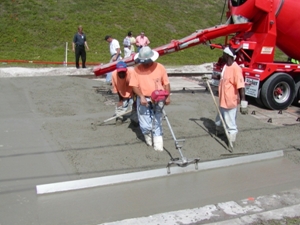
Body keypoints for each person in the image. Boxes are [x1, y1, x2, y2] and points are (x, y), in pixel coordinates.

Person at [129, 46, 171, 151]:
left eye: (147, 62)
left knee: (158, 120)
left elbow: (166, 83)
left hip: (158, 98)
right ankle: (148, 136)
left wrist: (167, 96)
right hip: (144, 99)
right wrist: (142, 96)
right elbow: (134, 86)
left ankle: (158, 145)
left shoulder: (160, 67)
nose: (145, 64)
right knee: (145, 121)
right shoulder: (136, 70)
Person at [215, 46, 248, 146]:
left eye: (223, 54)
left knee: (230, 123)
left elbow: (241, 86)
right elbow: (222, 76)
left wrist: (243, 103)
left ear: (227, 55)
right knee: (218, 120)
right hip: (222, 100)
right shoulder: (226, 66)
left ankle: (231, 140)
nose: (222, 56)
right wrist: (211, 76)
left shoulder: (236, 69)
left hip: (230, 101)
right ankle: (220, 132)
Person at [112, 61, 138, 125]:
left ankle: (135, 119)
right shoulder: (114, 75)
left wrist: (135, 99)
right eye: (120, 72)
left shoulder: (132, 72)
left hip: (132, 91)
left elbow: (136, 85)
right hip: (122, 92)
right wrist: (120, 100)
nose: (121, 74)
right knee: (120, 106)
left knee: (134, 107)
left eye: (123, 72)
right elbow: (116, 88)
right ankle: (119, 118)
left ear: (126, 70)